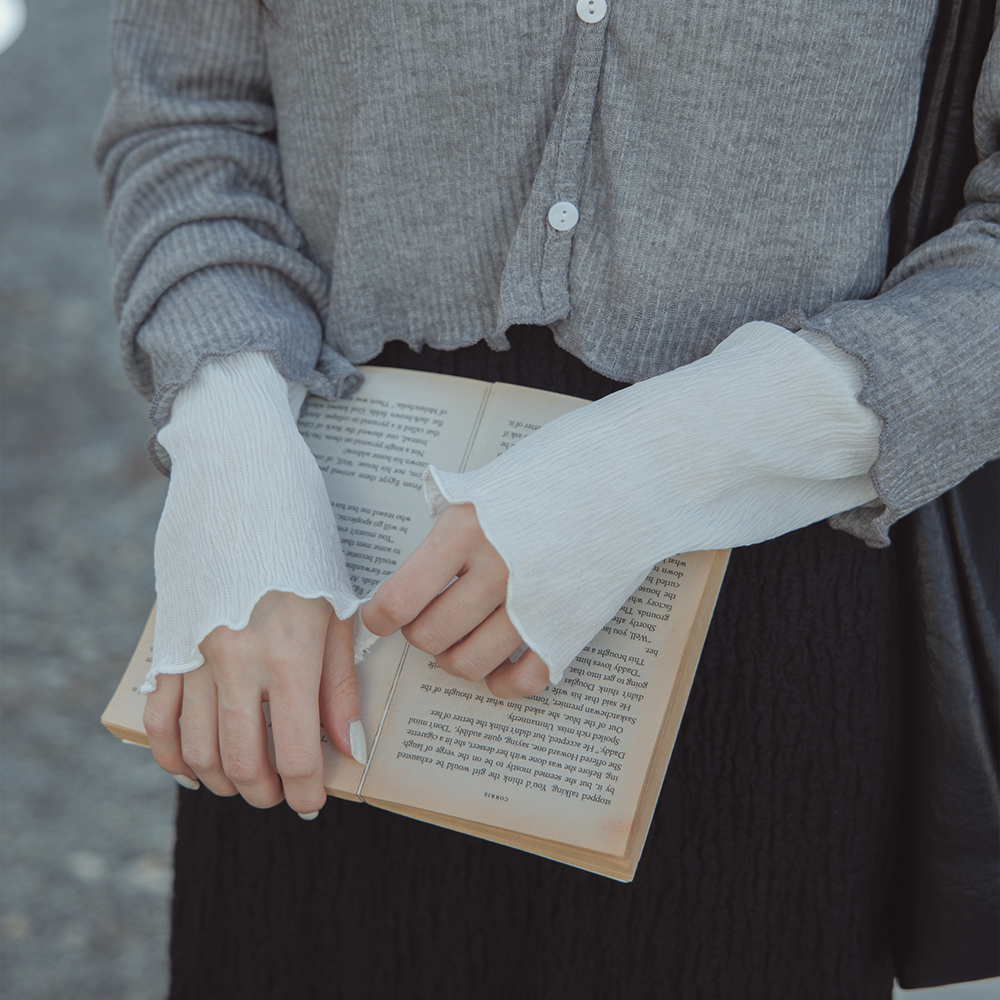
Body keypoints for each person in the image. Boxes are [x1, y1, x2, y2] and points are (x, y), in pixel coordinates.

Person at [96, 1, 999, 996]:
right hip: (312, 601)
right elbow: (188, 113)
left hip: (755, 622)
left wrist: (655, 467)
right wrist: (236, 457)